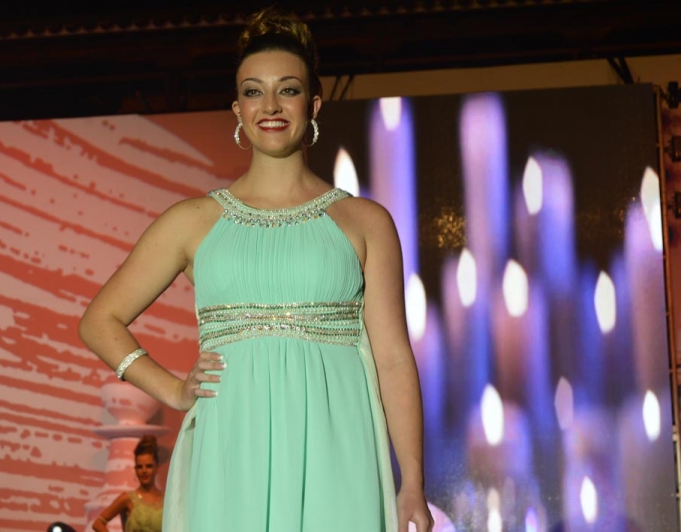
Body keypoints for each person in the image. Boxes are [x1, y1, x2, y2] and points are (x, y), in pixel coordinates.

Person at [78, 7, 433, 532]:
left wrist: (413, 483)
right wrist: (173, 390)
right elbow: (99, 321)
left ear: (313, 104)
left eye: (287, 90)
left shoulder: (365, 221)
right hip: (232, 448)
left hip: (339, 450)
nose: (270, 106)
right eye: (253, 91)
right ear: (237, 109)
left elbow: (395, 359)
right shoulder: (193, 221)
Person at [92, 435, 163, 532]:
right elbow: (98, 523)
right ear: (135, 469)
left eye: (149, 466)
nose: (144, 471)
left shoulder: (166, 500)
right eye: (139, 467)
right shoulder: (128, 498)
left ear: (157, 467)